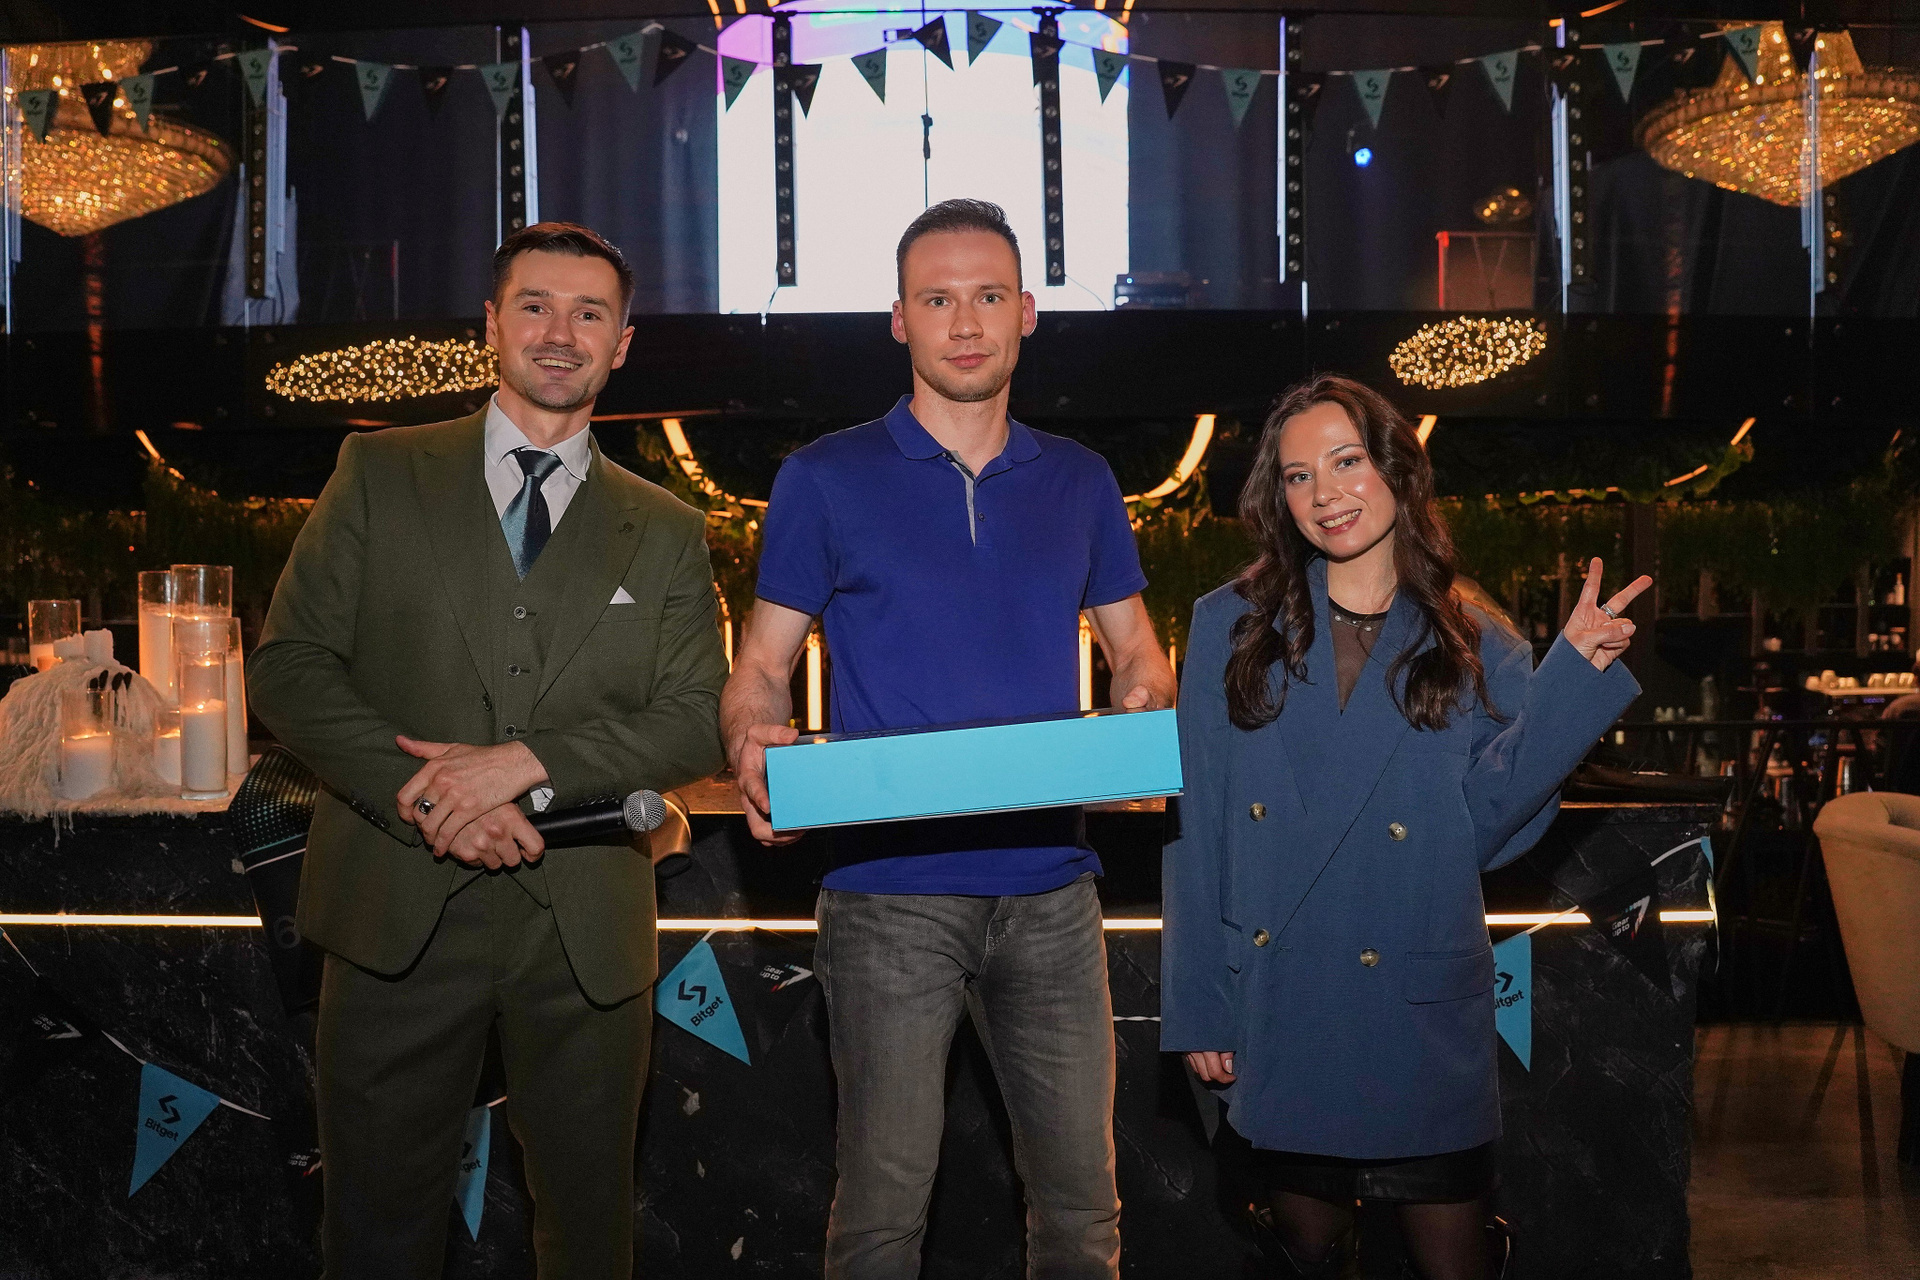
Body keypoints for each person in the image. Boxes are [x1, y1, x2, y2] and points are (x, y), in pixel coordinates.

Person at [250, 222, 728, 1278]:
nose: (561, 333)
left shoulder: (666, 527)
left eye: (589, 313)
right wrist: (427, 792)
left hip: (586, 927)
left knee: (590, 1239)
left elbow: (698, 717)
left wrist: (524, 763)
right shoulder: (379, 471)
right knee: (373, 1236)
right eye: (535, 306)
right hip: (394, 912)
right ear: (491, 324)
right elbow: (288, 668)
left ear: (622, 344)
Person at [721, 198, 1176, 1279]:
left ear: (1027, 313)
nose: (964, 323)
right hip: (886, 897)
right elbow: (760, 667)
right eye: (937, 299)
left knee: (1083, 1209)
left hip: (1054, 894)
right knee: (882, 1213)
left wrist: (1139, 713)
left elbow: (1140, 656)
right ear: (899, 320)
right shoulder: (823, 476)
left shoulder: (1081, 479)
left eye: (987, 296)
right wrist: (752, 743)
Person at [1160, 374, 1646, 1280]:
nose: (1326, 492)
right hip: (1282, 998)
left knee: (1454, 1262)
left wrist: (1571, 679)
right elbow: (1198, 833)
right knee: (1306, 1253)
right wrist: (1199, 1005)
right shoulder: (1231, 625)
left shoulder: (1477, 639)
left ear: (1397, 469)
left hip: (1418, 1006)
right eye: (1299, 475)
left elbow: (1487, 833)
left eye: (1347, 461)